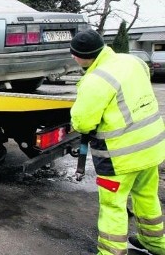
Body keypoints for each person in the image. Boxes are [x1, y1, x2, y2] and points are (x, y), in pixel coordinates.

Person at [69, 29, 165, 255]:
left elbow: (83, 122)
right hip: (151, 148)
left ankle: (111, 252)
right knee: (146, 196)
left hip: (120, 158)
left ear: (82, 56)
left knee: (113, 205)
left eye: (74, 54)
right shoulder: (133, 61)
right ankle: (156, 244)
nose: (72, 57)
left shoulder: (95, 80)